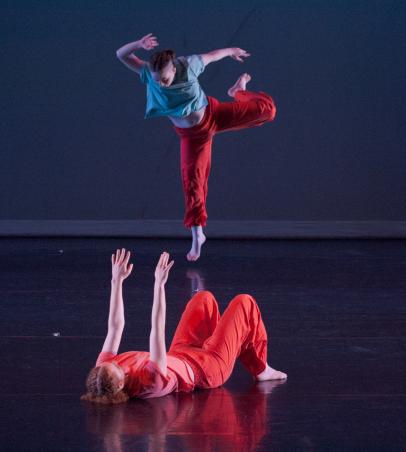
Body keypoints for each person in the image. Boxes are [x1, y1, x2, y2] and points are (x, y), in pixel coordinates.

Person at [116, 34, 277, 261]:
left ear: (173, 69)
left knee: (266, 110)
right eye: (156, 81)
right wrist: (138, 45)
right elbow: (121, 54)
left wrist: (231, 50)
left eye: (164, 79)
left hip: (213, 115)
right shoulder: (148, 74)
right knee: (192, 183)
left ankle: (237, 92)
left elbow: (212, 56)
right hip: (192, 137)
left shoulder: (189, 64)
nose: (160, 84)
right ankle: (197, 234)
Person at [81, 249, 286, 404]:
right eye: (119, 370)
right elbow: (157, 330)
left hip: (181, 352)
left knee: (203, 298)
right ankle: (261, 370)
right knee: (244, 303)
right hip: (208, 369)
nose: (119, 363)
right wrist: (159, 285)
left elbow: (115, 327)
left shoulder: (105, 368)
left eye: (113, 363)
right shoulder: (150, 382)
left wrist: (116, 281)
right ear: (119, 385)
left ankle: (222, 343)